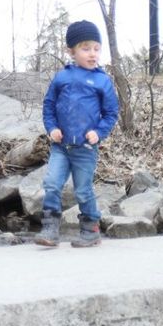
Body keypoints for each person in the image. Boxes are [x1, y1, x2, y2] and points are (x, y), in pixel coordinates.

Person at [37, 20, 120, 248]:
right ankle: (50, 228)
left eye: (96, 48)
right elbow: (48, 106)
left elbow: (112, 112)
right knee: (52, 183)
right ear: (71, 51)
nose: (92, 54)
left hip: (85, 148)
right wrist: (52, 128)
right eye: (85, 48)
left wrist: (99, 132)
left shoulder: (102, 80)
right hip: (61, 146)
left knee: (83, 190)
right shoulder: (61, 78)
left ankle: (90, 228)